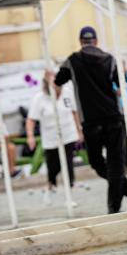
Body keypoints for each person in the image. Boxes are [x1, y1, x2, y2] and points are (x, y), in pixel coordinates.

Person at [54, 26, 127, 213]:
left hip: (90, 122)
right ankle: (125, 190)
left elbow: (58, 80)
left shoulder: (72, 61)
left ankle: (115, 205)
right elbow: (122, 82)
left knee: (96, 162)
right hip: (113, 117)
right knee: (115, 164)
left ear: (81, 41)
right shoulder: (110, 59)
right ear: (96, 41)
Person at [26, 70, 82, 205]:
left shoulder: (68, 93)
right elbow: (31, 119)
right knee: (53, 167)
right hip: (50, 139)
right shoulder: (39, 98)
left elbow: (74, 112)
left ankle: (69, 195)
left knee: (68, 164)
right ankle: (50, 187)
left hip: (68, 134)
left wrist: (79, 130)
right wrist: (30, 136)